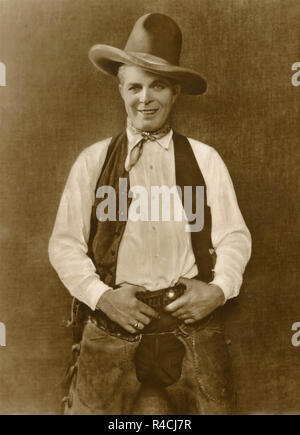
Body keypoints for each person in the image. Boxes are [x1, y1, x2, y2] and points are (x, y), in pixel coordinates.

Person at [48, 13, 251, 415]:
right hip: (114, 321)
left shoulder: (205, 159)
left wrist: (218, 290)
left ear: (175, 92)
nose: (145, 98)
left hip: (189, 320)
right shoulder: (93, 161)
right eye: (135, 86)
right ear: (120, 90)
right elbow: (64, 245)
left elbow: (233, 237)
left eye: (157, 85)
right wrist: (102, 297)